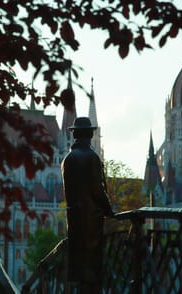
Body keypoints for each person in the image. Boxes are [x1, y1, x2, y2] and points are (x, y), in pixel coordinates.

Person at [61, 117, 113, 293]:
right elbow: (97, 190)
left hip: (74, 219)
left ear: (75, 134)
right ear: (90, 134)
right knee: (92, 269)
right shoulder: (91, 157)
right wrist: (109, 210)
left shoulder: (67, 159)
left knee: (78, 267)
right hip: (91, 220)